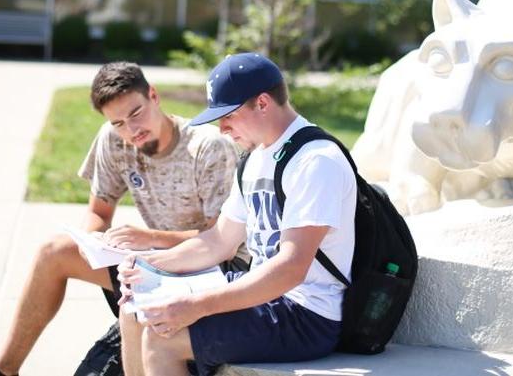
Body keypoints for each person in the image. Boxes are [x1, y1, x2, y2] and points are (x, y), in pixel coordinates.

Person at [0, 61, 239, 376]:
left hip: (209, 273)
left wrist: (151, 239)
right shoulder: (113, 139)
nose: (131, 130)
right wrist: (95, 242)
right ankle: (3, 371)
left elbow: (223, 241)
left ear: (154, 96)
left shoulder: (209, 146)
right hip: (149, 266)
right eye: (118, 122)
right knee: (54, 251)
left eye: (136, 113)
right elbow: (98, 212)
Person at [117, 52, 357, 376]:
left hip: (305, 314)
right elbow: (218, 242)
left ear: (262, 103)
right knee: (135, 310)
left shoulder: (315, 161)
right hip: (264, 296)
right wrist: (148, 265)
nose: (222, 128)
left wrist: (196, 306)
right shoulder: (254, 159)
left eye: (228, 115)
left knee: (162, 340)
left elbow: (291, 269)